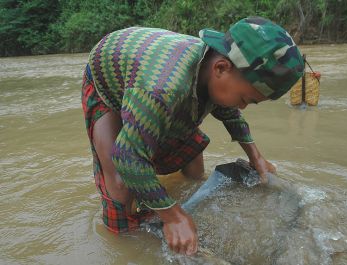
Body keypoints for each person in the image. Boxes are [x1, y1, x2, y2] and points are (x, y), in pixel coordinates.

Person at [81, 16, 304, 256]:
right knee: (121, 186)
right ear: (220, 68)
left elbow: (229, 111)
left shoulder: (217, 69)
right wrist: (173, 216)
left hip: (149, 77)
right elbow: (127, 156)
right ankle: (129, 242)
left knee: (195, 167)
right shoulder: (161, 89)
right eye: (244, 99)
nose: (244, 107)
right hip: (108, 80)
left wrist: (255, 156)